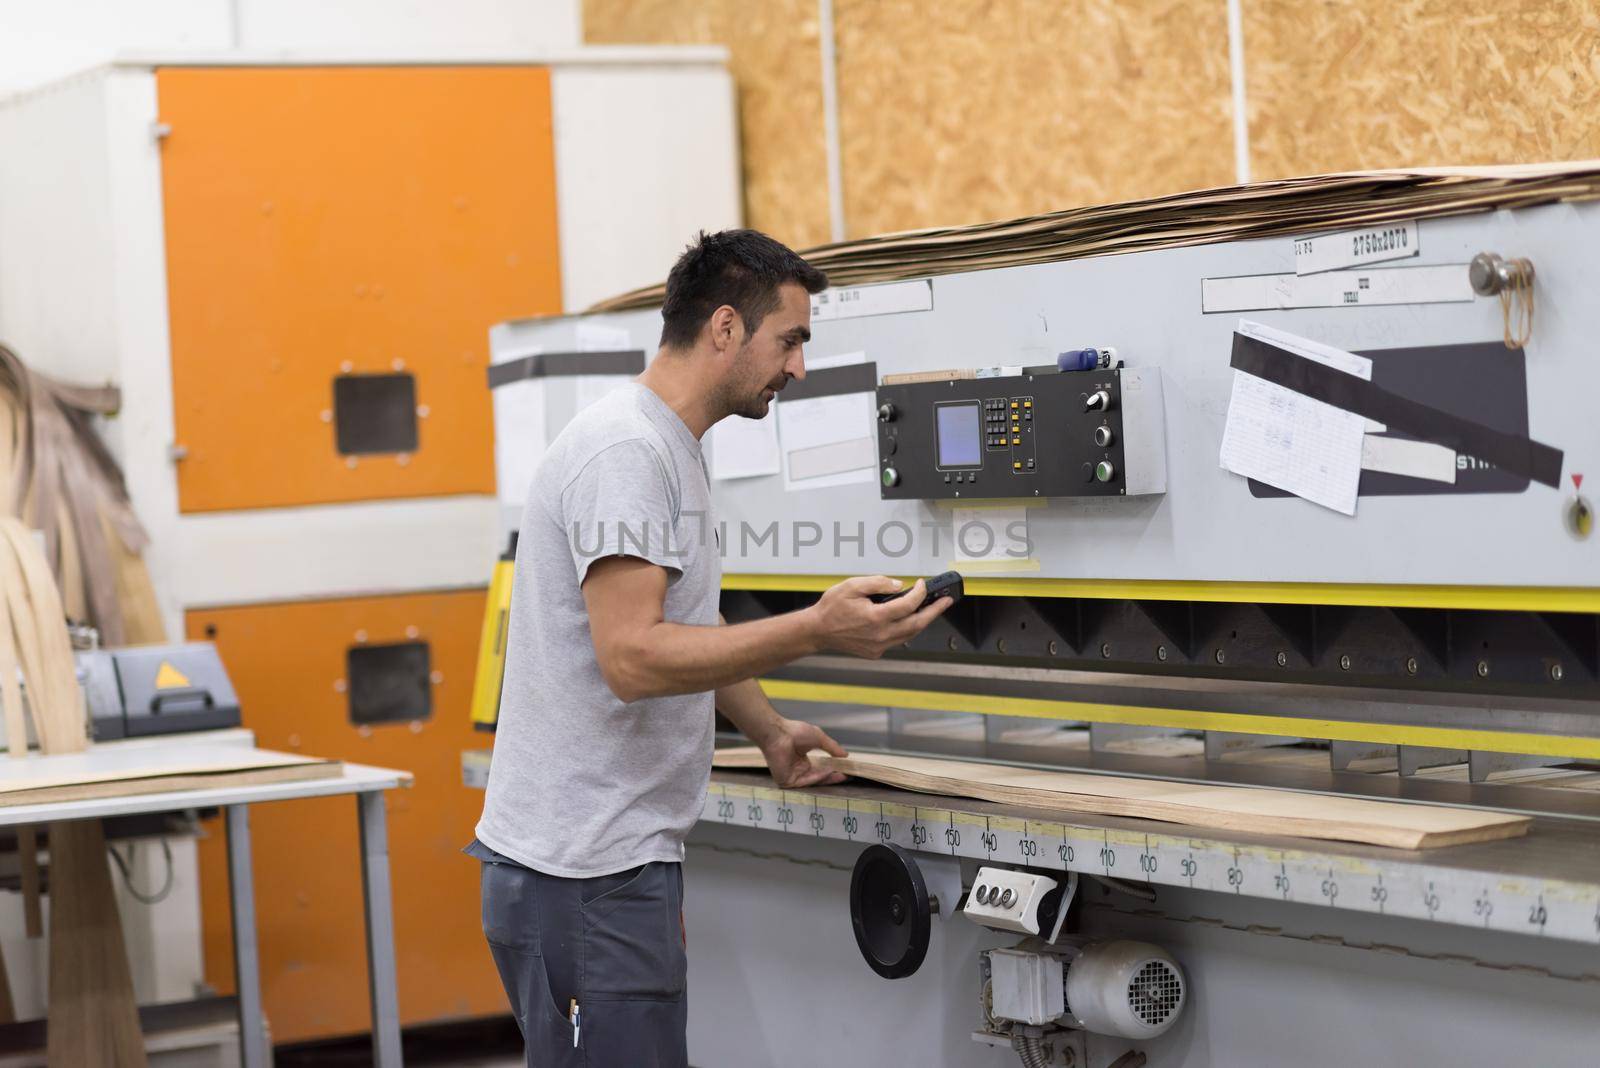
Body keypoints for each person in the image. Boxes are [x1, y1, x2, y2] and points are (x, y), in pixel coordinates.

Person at [468, 229, 951, 1065]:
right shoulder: (628, 452)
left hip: (607, 866)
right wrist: (815, 628)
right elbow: (633, 658)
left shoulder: (669, 446)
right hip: (587, 874)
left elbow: (687, 623)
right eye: (789, 339)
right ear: (725, 329)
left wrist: (767, 729)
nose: (798, 366)